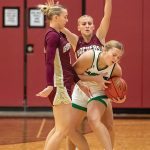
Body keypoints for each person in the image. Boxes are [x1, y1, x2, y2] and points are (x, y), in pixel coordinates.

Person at [36, 3, 90, 150]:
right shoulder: (52, 36)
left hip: (65, 84)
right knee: (62, 130)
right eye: (65, 17)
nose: (67, 20)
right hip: (59, 85)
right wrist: (49, 85)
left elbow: (67, 64)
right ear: (56, 17)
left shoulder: (61, 35)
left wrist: (78, 82)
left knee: (59, 128)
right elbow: (49, 62)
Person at [71, 40, 125, 150]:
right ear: (104, 50)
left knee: (94, 119)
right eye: (114, 55)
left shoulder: (116, 69)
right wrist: (94, 78)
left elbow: (117, 88)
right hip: (81, 89)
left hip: (99, 92)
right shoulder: (90, 57)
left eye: (119, 57)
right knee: (71, 128)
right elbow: (71, 74)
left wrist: (119, 98)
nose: (116, 59)